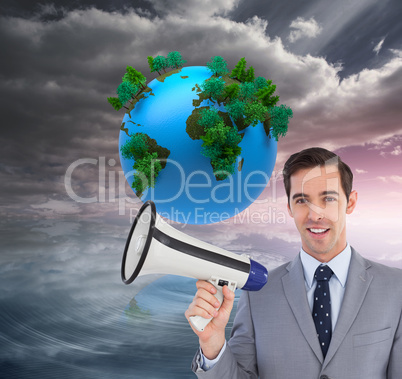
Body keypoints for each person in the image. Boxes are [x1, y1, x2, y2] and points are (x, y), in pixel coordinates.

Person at [185, 147, 402, 379]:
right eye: (302, 200)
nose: (315, 215)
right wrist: (213, 344)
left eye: (328, 198)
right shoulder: (257, 293)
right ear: (289, 207)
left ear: (350, 202)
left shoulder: (395, 288)